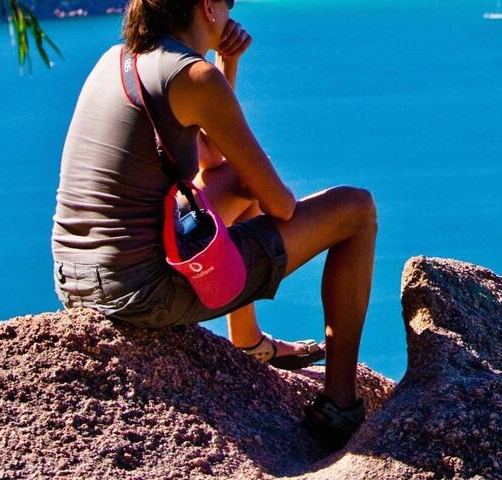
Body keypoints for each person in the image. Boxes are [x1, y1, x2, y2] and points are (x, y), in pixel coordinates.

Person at [50, 0, 375, 449]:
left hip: (77, 280)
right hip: (140, 295)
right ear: (207, 6)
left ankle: (248, 340)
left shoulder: (119, 58)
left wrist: (227, 64)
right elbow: (280, 206)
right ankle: (340, 405)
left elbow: (212, 162)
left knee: (231, 182)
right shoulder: (192, 77)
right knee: (356, 210)